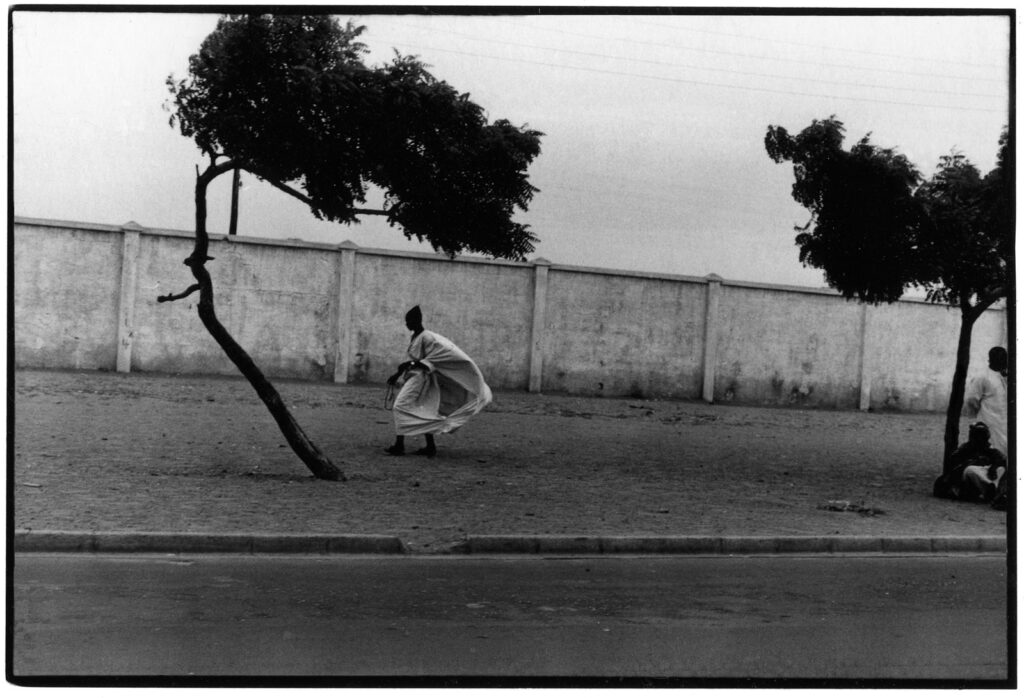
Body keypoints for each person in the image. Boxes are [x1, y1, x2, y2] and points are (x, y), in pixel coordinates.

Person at [384, 306, 492, 457]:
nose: (406, 324)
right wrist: (401, 370)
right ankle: (430, 446)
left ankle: (399, 445)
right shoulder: (416, 336)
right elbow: (418, 361)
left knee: (400, 406)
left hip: (420, 378)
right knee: (424, 407)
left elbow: (429, 361)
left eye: (409, 321)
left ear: (417, 321)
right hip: (415, 376)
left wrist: (405, 367)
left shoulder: (428, 338)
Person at [933, 422, 1007, 504]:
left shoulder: (989, 448)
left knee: (1001, 469)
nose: (980, 438)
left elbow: (1001, 460)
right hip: (970, 479)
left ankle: (995, 490)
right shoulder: (966, 448)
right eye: (977, 435)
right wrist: (974, 462)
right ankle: (991, 490)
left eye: (982, 435)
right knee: (970, 470)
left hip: (987, 474)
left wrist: (993, 467)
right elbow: (955, 464)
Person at [964, 346, 1008, 458]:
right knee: (992, 448)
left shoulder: (1002, 376)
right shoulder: (982, 376)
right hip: (988, 420)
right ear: (991, 360)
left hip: (1002, 421)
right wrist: (975, 418)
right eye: (1000, 359)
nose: (1003, 362)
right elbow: (971, 399)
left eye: (1004, 359)